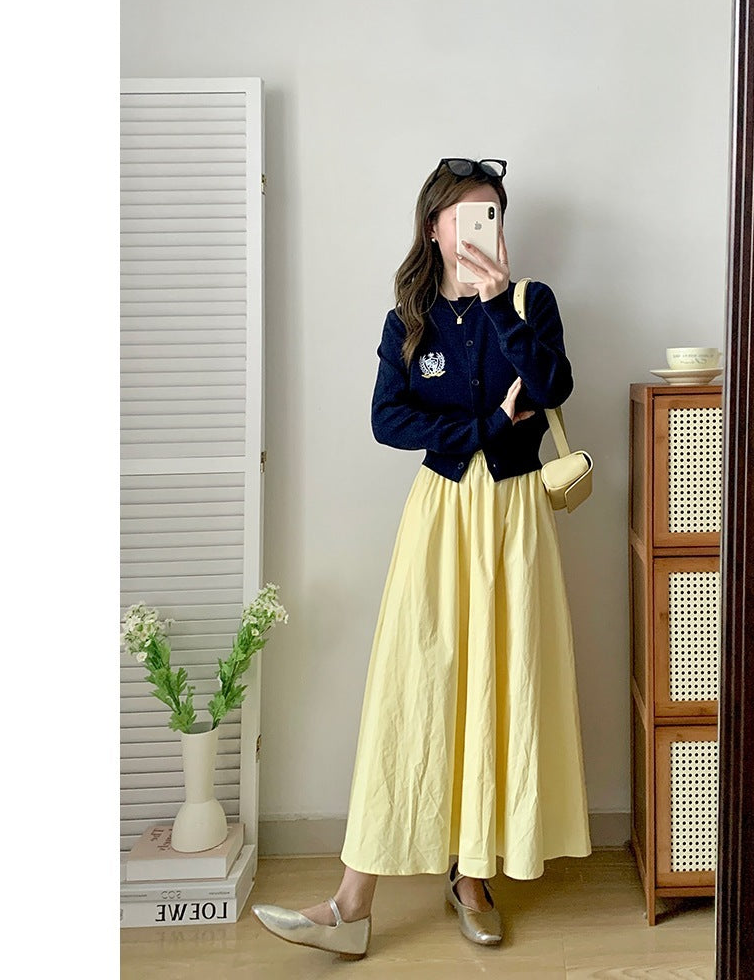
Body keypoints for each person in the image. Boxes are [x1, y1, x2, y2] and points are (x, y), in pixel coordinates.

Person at [253, 158, 592, 959]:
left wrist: (496, 306)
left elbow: (551, 385)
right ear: (435, 226)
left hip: (514, 515)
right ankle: (351, 902)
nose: (481, 228)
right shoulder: (406, 318)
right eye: (467, 214)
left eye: (492, 214)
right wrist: (485, 427)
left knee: (500, 682)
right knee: (413, 687)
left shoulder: (529, 301)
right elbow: (388, 420)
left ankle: (472, 878)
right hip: (440, 515)